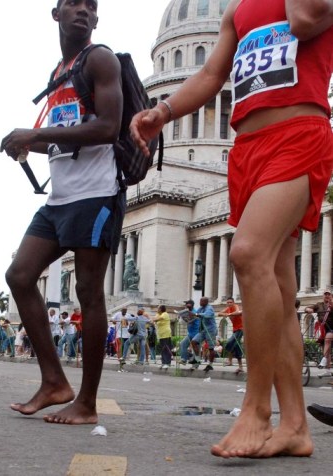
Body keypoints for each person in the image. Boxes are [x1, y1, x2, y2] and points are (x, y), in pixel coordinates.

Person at [130, 0, 333, 458]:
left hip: (298, 132)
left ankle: (257, 411)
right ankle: (296, 424)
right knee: (279, 286)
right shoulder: (236, 12)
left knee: (246, 252)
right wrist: (163, 112)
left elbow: (305, 20)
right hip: (246, 149)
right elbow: (209, 77)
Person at [0, 0, 125, 425]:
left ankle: (86, 403)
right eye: (73, 3)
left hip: (95, 194)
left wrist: (35, 132)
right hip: (59, 199)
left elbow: (107, 127)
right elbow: (64, 135)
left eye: (91, 6)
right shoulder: (58, 74)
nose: (83, 11)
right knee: (19, 274)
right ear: (55, 14)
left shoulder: (101, 59)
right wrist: (27, 143)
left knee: (88, 292)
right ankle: (54, 381)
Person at [305, 290, 333, 371]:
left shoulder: (331, 305)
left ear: (331, 296)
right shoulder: (319, 305)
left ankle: (323, 359)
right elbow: (309, 308)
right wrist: (308, 309)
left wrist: (331, 304)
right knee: (325, 347)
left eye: (329, 294)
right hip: (322, 329)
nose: (327, 296)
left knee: (327, 341)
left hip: (331, 328)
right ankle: (327, 370)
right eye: (325, 294)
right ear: (323, 296)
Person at [189, 297, 217, 372]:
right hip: (202, 330)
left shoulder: (209, 308)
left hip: (210, 330)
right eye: (200, 301)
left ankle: (210, 364)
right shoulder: (201, 308)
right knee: (194, 342)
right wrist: (188, 316)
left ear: (206, 302)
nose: (200, 302)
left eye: (202, 301)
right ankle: (198, 359)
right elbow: (195, 315)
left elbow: (207, 315)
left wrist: (197, 314)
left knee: (211, 348)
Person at [218, 297, 244, 374]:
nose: (229, 304)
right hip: (235, 330)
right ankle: (239, 366)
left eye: (230, 302)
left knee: (230, 342)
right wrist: (226, 314)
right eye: (228, 302)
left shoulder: (236, 306)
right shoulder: (228, 308)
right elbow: (219, 313)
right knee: (236, 346)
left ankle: (230, 360)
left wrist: (229, 314)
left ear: (233, 302)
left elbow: (239, 312)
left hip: (241, 329)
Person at [179, 299, 200, 365]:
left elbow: (190, 321)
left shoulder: (194, 312)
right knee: (183, 344)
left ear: (192, 306)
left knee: (195, 349)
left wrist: (184, 318)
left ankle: (196, 364)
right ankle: (184, 359)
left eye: (188, 306)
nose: (187, 307)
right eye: (186, 306)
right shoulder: (188, 311)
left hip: (196, 333)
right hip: (190, 333)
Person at [152, 305, 172, 369]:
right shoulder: (158, 314)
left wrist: (154, 319)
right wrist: (154, 319)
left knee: (166, 348)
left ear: (161, 309)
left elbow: (156, 319)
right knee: (162, 349)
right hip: (161, 335)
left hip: (166, 334)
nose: (157, 309)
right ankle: (163, 363)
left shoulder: (165, 314)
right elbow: (154, 319)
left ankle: (167, 363)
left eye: (158, 308)